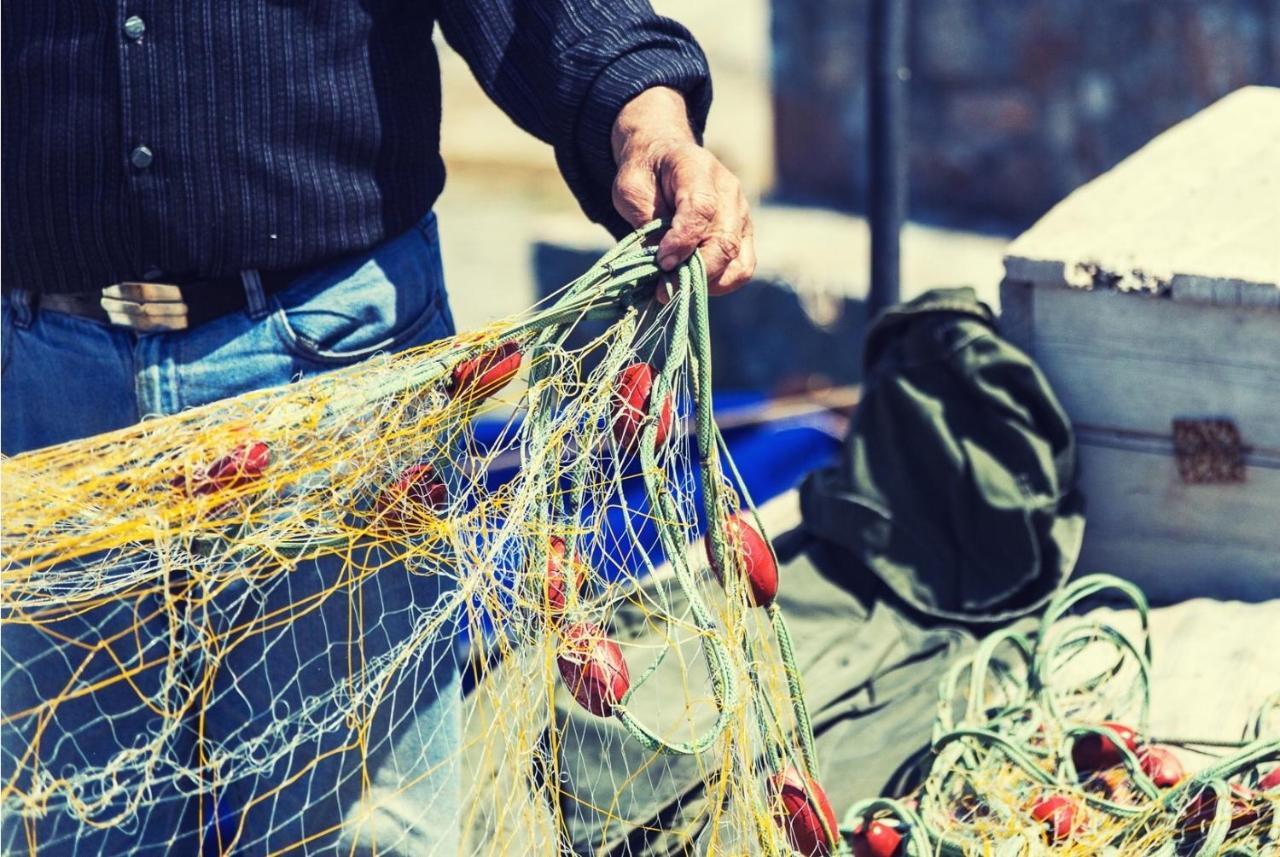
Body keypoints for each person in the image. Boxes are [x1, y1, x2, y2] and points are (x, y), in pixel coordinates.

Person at [0, 2, 754, 853]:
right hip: (44, 392)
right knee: (64, 829)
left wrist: (647, 121)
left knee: (356, 833)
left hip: (336, 367)